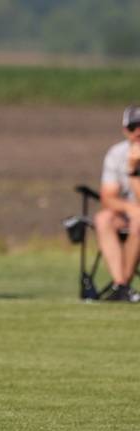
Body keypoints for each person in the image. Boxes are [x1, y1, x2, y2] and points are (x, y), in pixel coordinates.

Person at [94, 105, 140, 302]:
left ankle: (125, 285)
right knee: (103, 218)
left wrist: (133, 171)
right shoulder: (116, 153)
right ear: (125, 130)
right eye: (133, 127)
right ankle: (120, 284)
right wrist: (130, 209)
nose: (138, 132)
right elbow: (108, 197)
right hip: (130, 213)